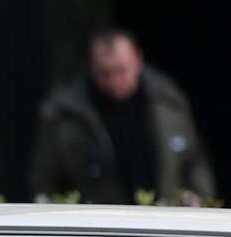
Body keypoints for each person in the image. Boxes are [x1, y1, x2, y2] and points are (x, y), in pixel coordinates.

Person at [31, 26, 215, 206]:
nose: (114, 81)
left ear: (138, 59)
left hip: (164, 220)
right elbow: (44, 180)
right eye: (105, 73)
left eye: (121, 71)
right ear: (91, 66)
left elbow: (194, 160)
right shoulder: (65, 114)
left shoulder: (168, 102)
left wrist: (199, 199)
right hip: (98, 226)